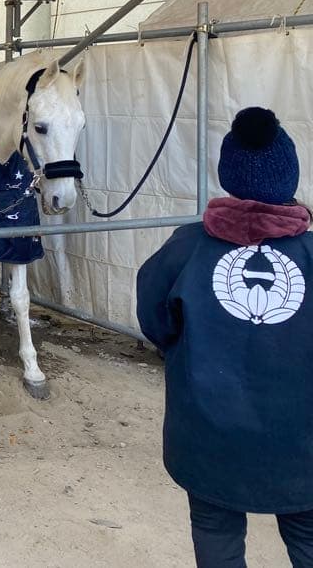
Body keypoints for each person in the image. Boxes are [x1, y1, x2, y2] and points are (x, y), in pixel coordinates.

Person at [137, 106, 313, 568]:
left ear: (227, 173)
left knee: (216, 537)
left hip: (209, 434)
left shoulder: (185, 247)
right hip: (303, 440)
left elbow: (155, 320)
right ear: (289, 175)